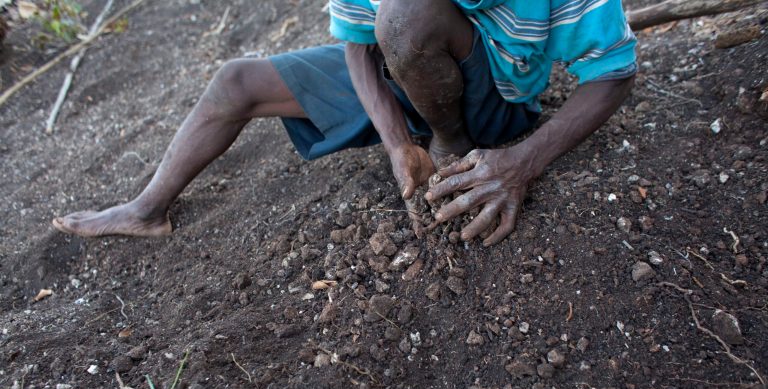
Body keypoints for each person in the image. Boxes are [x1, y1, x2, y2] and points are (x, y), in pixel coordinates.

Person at [52, 0, 637, 246]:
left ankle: (459, 148)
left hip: (493, 93)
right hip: (407, 66)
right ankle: (145, 211)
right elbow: (360, 41)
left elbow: (613, 72)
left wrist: (521, 161)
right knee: (237, 81)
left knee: (408, 16)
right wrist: (395, 142)